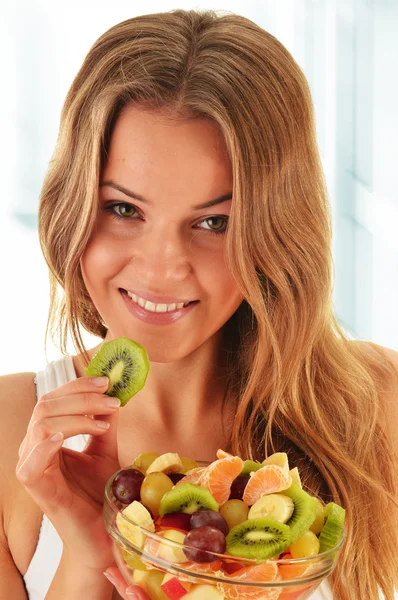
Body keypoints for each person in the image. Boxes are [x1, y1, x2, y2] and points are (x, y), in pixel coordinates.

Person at [0, 8, 397, 600]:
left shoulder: (378, 408)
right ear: (72, 206)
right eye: (124, 209)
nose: (162, 268)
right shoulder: (10, 433)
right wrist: (88, 558)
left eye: (215, 221)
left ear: (276, 230)